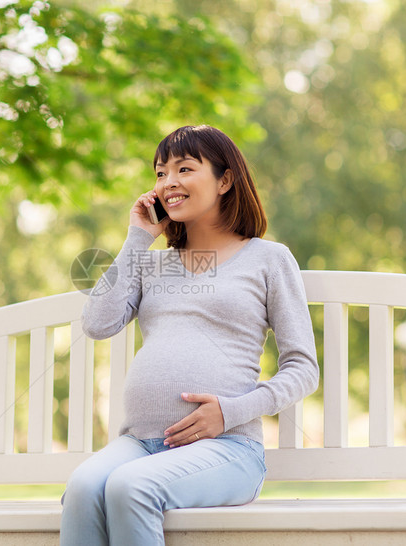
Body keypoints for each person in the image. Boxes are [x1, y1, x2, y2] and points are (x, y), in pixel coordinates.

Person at [60, 125, 319, 545]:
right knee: (84, 487)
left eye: (184, 169)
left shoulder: (268, 259)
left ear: (225, 179)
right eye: (160, 173)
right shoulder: (151, 264)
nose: (168, 183)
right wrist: (138, 238)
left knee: (131, 488)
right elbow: (97, 323)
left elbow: (303, 369)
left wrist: (231, 411)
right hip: (140, 445)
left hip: (229, 449)